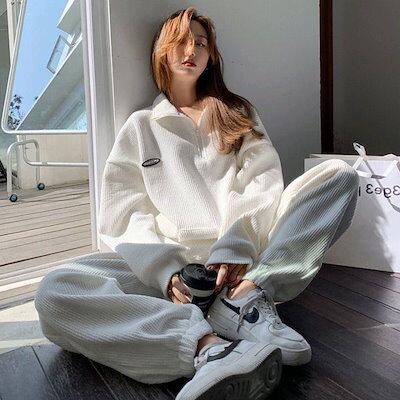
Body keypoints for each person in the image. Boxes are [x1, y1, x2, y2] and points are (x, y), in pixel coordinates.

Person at [34, 6, 360, 400]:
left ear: (211, 56)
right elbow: (125, 212)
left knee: (339, 176)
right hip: (177, 277)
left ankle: (245, 300)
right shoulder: (141, 126)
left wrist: (236, 247)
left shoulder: (237, 114)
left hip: (247, 260)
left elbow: (262, 183)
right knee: (55, 290)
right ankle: (209, 348)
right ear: (162, 52)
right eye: (181, 42)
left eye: (201, 43)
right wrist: (167, 271)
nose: (191, 50)